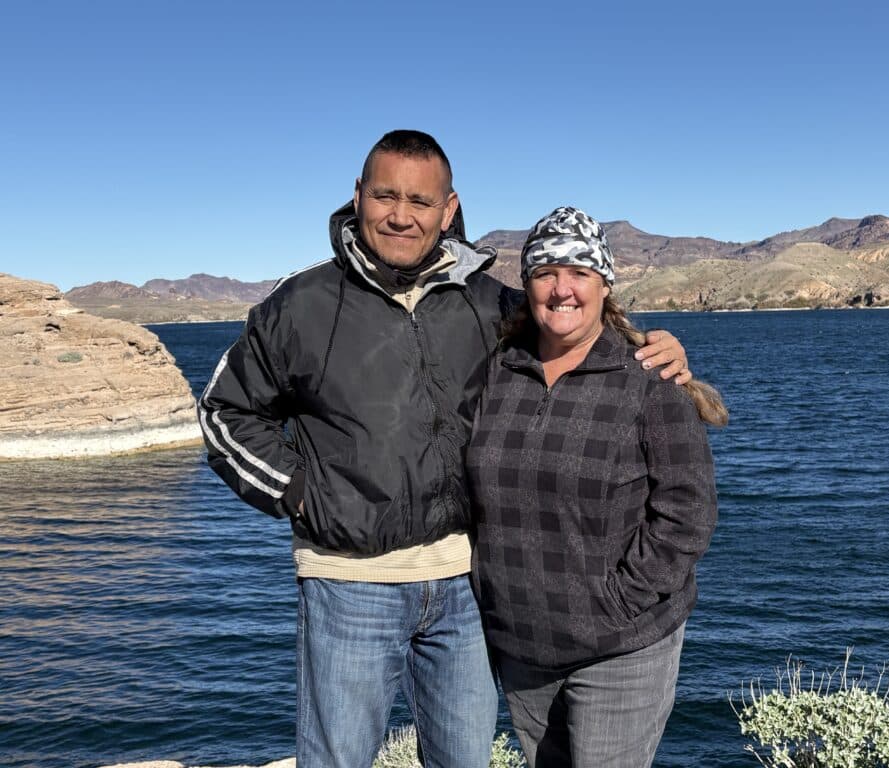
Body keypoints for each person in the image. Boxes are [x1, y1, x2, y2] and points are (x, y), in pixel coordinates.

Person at [198, 132, 692, 768]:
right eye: (385, 195)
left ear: (448, 208)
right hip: (351, 580)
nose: (401, 215)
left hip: (465, 585)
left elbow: (573, 318)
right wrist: (299, 493)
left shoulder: (487, 300)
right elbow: (223, 411)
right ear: (357, 196)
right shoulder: (303, 304)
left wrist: (655, 348)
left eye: (420, 201)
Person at [467, 206, 727, 768]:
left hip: (620, 647)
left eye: (579, 272)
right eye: (545, 271)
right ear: (526, 283)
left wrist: (619, 600)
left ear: (604, 283)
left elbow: (689, 511)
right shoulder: (497, 371)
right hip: (522, 645)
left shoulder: (649, 380)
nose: (562, 288)